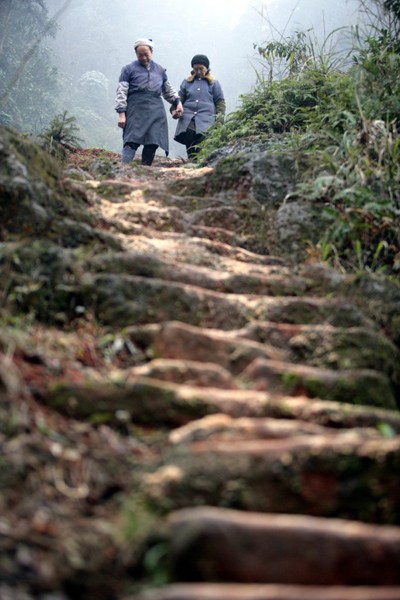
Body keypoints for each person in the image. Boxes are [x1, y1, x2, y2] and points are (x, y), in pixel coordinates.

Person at [115, 38, 183, 166]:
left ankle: (145, 169)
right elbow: (121, 92)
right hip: (135, 108)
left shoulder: (160, 70)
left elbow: (168, 91)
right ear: (136, 54)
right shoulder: (128, 69)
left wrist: (178, 102)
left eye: (146, 54)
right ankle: (123, 168)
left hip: (156, 109)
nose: (144, 58)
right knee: (131, 139)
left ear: (151, 51)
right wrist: (121, 113)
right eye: (140, 55)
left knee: (153, 141)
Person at [173, 54, 226, 159]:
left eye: (201, 69)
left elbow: (220, 102)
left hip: (206, 118)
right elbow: (179, 99)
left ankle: (199, 162)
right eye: (195, 69)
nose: (198, 72)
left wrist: (219, 119)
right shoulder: (187, 82)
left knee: (203, 139)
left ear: (207, 68)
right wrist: (175, 110)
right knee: (189, 136)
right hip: (188, 117)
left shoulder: (214, 83)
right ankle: (192, 161)